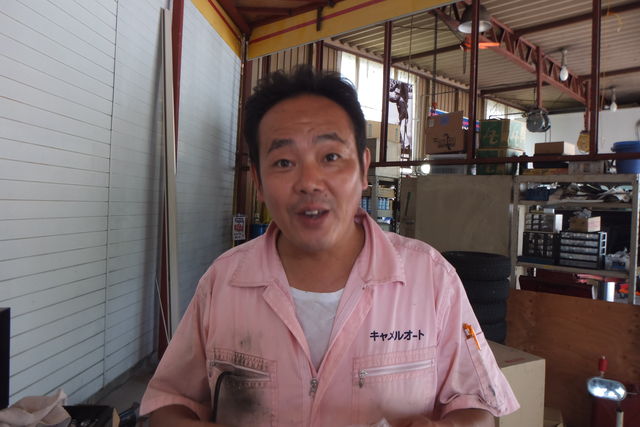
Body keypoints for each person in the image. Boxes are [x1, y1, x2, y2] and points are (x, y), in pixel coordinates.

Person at [139, 66, 519, 427]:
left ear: (364, 168)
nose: (309, 182)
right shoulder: (223, 282)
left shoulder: (430, 279)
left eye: (331, 157)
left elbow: (478, 406)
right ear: (258, 180)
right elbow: (169, 402)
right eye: (284, 162)